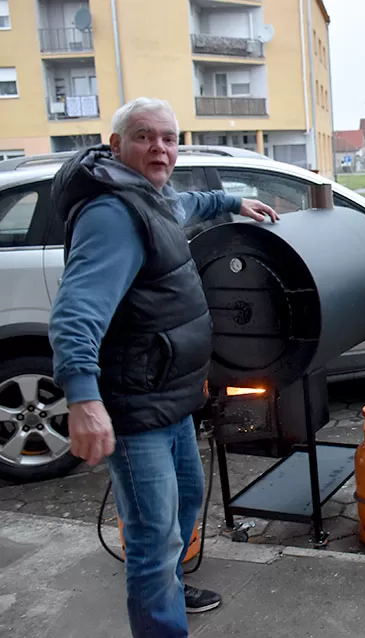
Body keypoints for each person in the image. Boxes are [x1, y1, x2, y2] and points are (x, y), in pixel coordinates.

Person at [48, 97, 279, 637]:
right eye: (144, 136)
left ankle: (167, 590)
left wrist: (232, 201)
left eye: (169, 139)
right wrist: (83, 399)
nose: (160, 148)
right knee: (153, 536)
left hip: (169, 398)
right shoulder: (113, 215)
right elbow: (75, 312)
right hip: (136, 406)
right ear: (116, 146)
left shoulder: (148, 196)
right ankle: (160, 614)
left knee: (183, 508)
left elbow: (186, 204)